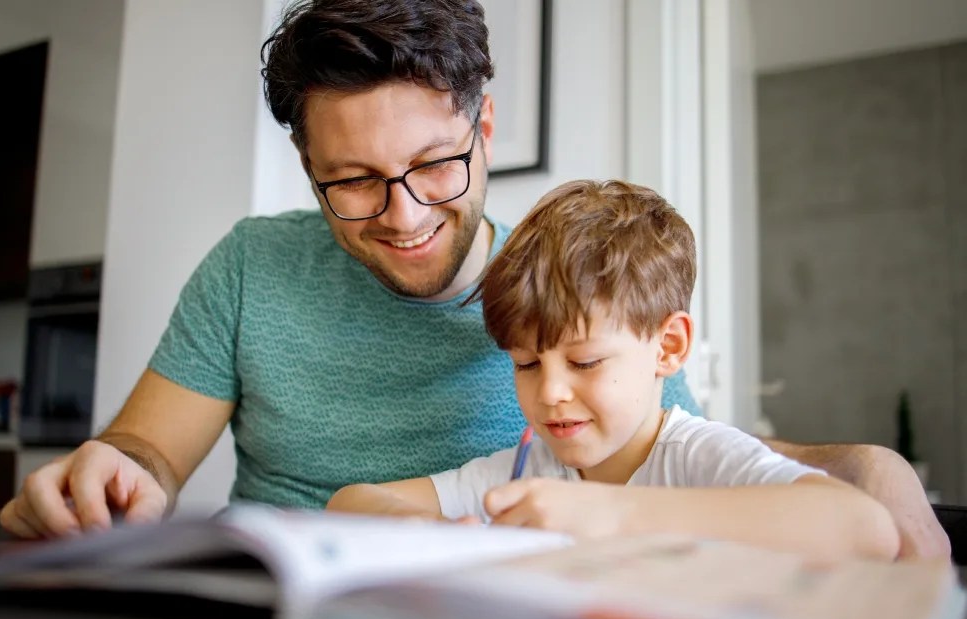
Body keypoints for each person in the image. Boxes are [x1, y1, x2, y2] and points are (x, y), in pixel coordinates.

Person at [0, 0, 947, 560]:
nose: (404, 216)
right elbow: (149, 457)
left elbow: (678, 448)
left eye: (435, 165)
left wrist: (857, 462)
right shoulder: (250, 264)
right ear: (306, 166)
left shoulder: (564, 287)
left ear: (485, 130)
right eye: (354, 182)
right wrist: (117, 474)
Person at [327, 180, 899, 561]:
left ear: (668, 347)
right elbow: (350, 503)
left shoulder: (697, 455)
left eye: (585, 361)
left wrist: (608, 512)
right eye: (526, 364)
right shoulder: (528, 471)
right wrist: (430, 533)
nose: (549, 392)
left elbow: (864, 528)